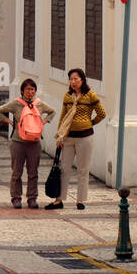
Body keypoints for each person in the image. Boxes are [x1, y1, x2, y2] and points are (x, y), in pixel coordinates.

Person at [46, 68, 106, 211]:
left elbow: (101, 114)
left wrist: (90, 123)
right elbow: (63, 116)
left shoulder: (90, 95)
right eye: (71, 79)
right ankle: (59, 199)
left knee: (82, 170)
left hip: (85, 138)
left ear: (82, 80)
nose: (73, 82)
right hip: (68, 137)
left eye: (76, 79)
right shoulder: (67, 96)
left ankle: (80, 200)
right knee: (64, 169)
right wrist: (60, 135)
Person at [0, 79, 56, 209]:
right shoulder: (16, 104)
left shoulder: (39, 104)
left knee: (33, 173)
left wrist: (44, 121)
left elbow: (52, 111)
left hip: (34, 142)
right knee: (17, 172)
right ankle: (16, 198)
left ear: (35, 91)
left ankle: (32, 198)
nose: (30, 92)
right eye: (27, 89)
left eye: (32, 89)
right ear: (22, 91)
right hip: (18, 142)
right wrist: (9, 122)